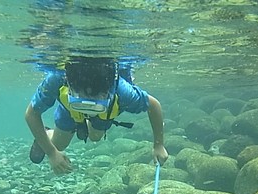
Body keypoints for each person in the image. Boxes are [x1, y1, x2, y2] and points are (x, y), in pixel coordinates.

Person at [24, 57, 168, 175]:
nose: (89, 109)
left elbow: (153, 105)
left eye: (94, 104)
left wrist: (158, 144)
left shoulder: (122, 91)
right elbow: (32, 113)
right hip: (70, 110)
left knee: (95, 137)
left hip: (105, 111)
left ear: (109, 91)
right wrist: (51, 152)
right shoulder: (57, 79)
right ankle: (46, 134)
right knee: (59, 144)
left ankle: (84, 125)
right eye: (81, 102)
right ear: (68, 84)